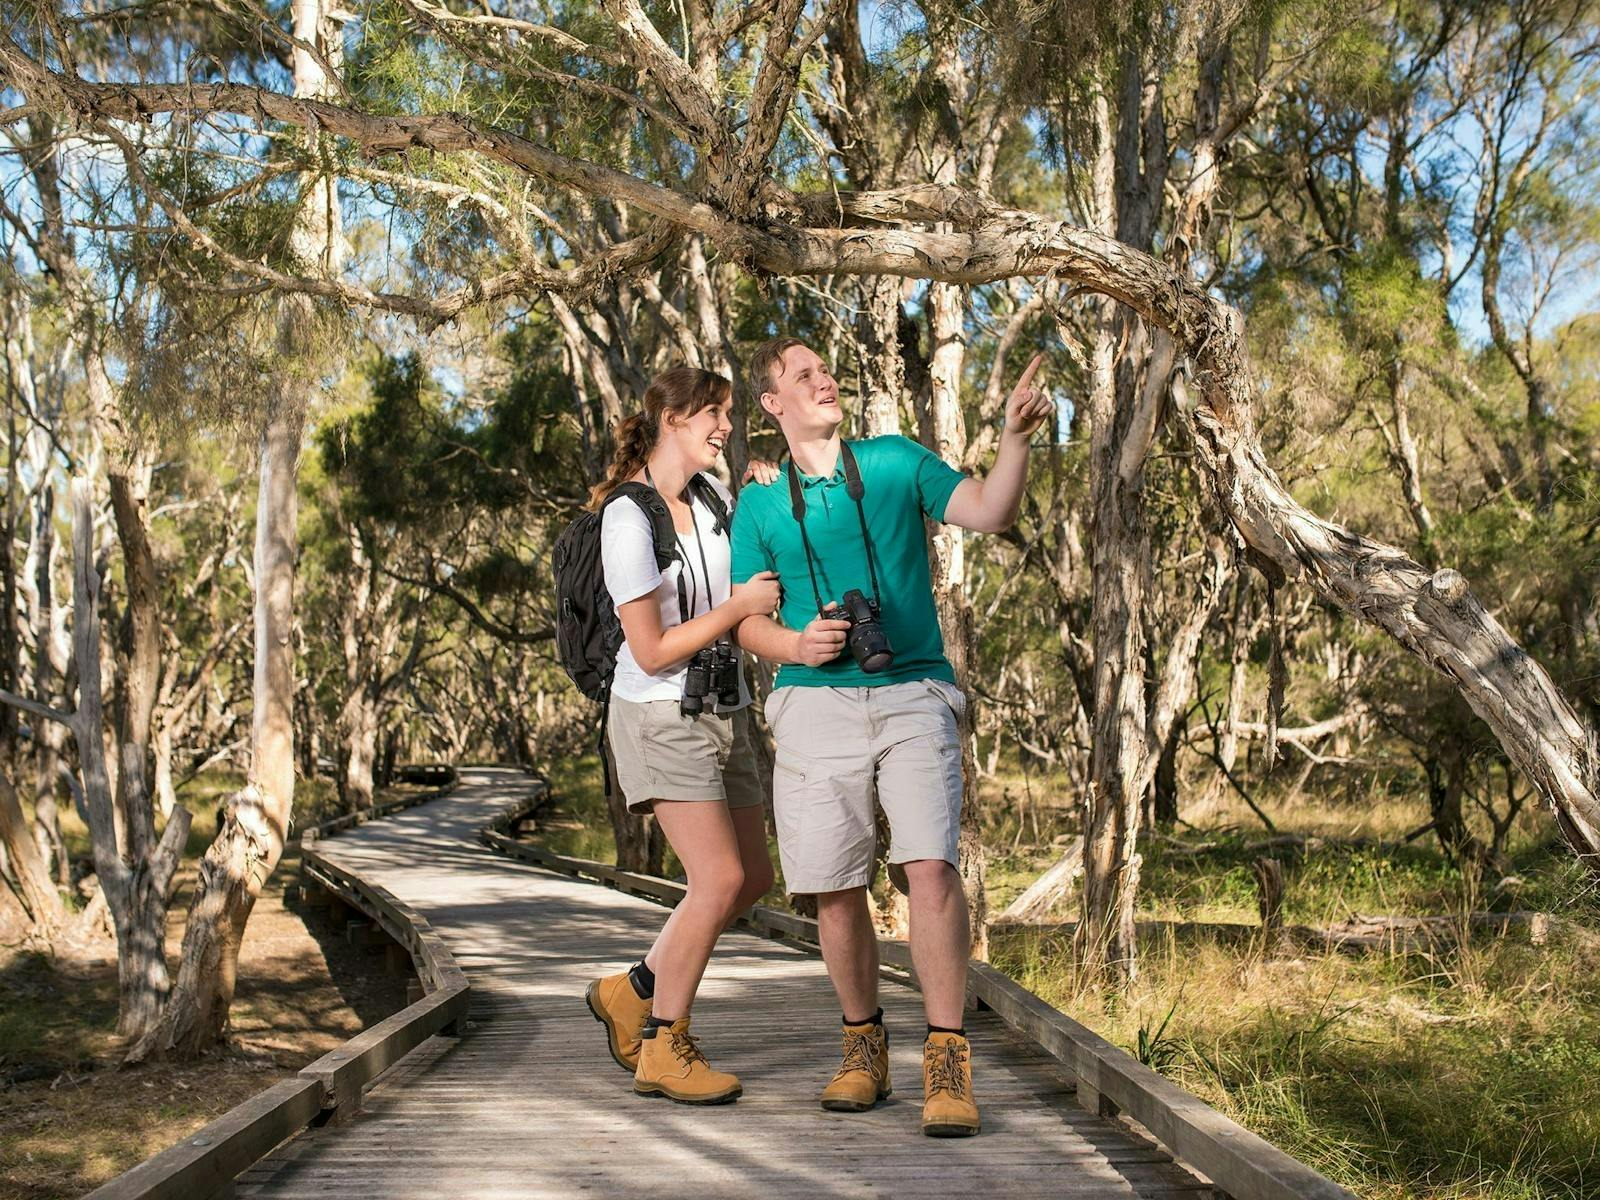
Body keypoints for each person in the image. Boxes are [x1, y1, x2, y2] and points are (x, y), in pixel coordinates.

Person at [729, 337, 1052, 1137]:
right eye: (800, 376)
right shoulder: (761, 503)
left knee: (930, 867)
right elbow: (747, 622)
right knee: (834, 885)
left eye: (823, 368)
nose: (822, 379)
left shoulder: (897, 460)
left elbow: (989, 510)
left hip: (913, 690)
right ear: (773, 406)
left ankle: (947, 1063)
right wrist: (797, 644)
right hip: (812, 702)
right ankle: (863, 1050)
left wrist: (1013, 440)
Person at [584, 367, 782, 1106]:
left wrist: (763, 494)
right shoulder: (627, 518)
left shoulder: (714, 499)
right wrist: (737, 609)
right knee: (719, 880)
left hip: (722, 709)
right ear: (671, 418)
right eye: (714, 414)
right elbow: (651, 649)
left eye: (728, 414)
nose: (725, 427)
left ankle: (632, 991)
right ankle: (665, 1044)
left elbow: (758, 565)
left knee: (753, 878)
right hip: (658, 715)